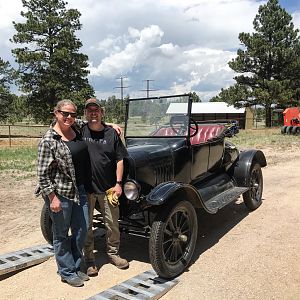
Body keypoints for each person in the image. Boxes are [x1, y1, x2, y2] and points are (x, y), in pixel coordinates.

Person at [36, 99, 91, 287]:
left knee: (82, 230)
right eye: (65, 113)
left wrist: (112, 125)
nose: (69, 117)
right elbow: (42, 174)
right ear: (56, 113)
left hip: (80, 190)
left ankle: (75, 266)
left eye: (73, 114)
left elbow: (92, 122)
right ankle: (66, 271)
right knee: (60, 234)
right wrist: (52, 198)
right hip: (60, 193)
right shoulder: (48, 141)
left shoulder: (77, 128)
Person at [82, 98, 129, 276]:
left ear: (101, 112)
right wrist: (108, 122)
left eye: (96, 110)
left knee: (112, 224)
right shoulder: (80, 129)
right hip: (85, 189)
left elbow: (119, 159)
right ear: (85, 113)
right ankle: (89, 260)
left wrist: (118, 184)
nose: (93, 113)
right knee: (86, 225)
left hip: (109, 188)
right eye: (89, 110)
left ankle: (113, 254)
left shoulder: (111, 134)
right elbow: (60, 122)